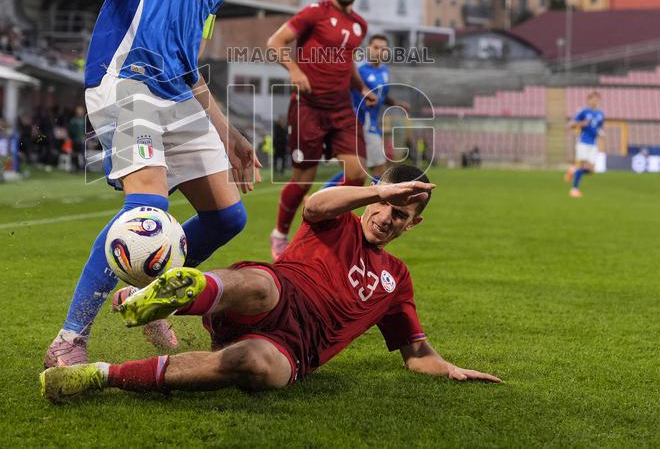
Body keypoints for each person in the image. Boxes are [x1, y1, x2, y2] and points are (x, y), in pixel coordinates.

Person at [28, 0, 272, 367]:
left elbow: (191, 58)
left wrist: (227, 131)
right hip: (126, 78)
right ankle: (70, 338)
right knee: (146, 214)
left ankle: (150, 282)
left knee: (228, 217)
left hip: (178, 90)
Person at [40, 163, 501, 401]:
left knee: (257, 367)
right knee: (261, 285)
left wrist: (451, 369)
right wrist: (380, 188)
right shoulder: (336, 221)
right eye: (384, 205)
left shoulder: (397, 280)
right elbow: (317, 204)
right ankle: (167, 297)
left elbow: (417, 353)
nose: (386, 217)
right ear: (372, 198)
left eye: (401, 215)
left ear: (412, 225)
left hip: (296, 349)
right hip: (273, 295)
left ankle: (99, 376)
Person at [266, 0, 377, 260]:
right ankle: (279, 234)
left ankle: (322, 222)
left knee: (357, 174)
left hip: (341, 108)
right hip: (308, 107)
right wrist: (293, 70)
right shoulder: (315, 12)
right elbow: (275, 42)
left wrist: (362, 88)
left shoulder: (360, 26)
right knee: (302, 179)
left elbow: (347, 61)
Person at [324, 34, 411, 186]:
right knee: (378, 168)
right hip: (362, 123)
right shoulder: (359, 71)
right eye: (376, 47)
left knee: (357, 169)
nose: (379, 51)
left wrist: (396, 103)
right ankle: (375, 206)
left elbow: (381, 96)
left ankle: (322, 194)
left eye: (383, 49)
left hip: (372, 125)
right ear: (368, 49)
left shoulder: (385, 71)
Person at [565, 91, 605, 197]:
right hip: (583, 142)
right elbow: (570, 125)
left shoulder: (601, 114)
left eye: (596, 99)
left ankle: (573, 171)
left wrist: (601, 133)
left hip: (593, 144)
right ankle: (574, 189)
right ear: (588, 100)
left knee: (591, 170)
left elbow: (599, 128)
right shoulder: (583, 112)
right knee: (581, 165)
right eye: (592, 99)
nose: (594, 101)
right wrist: (582, 123)